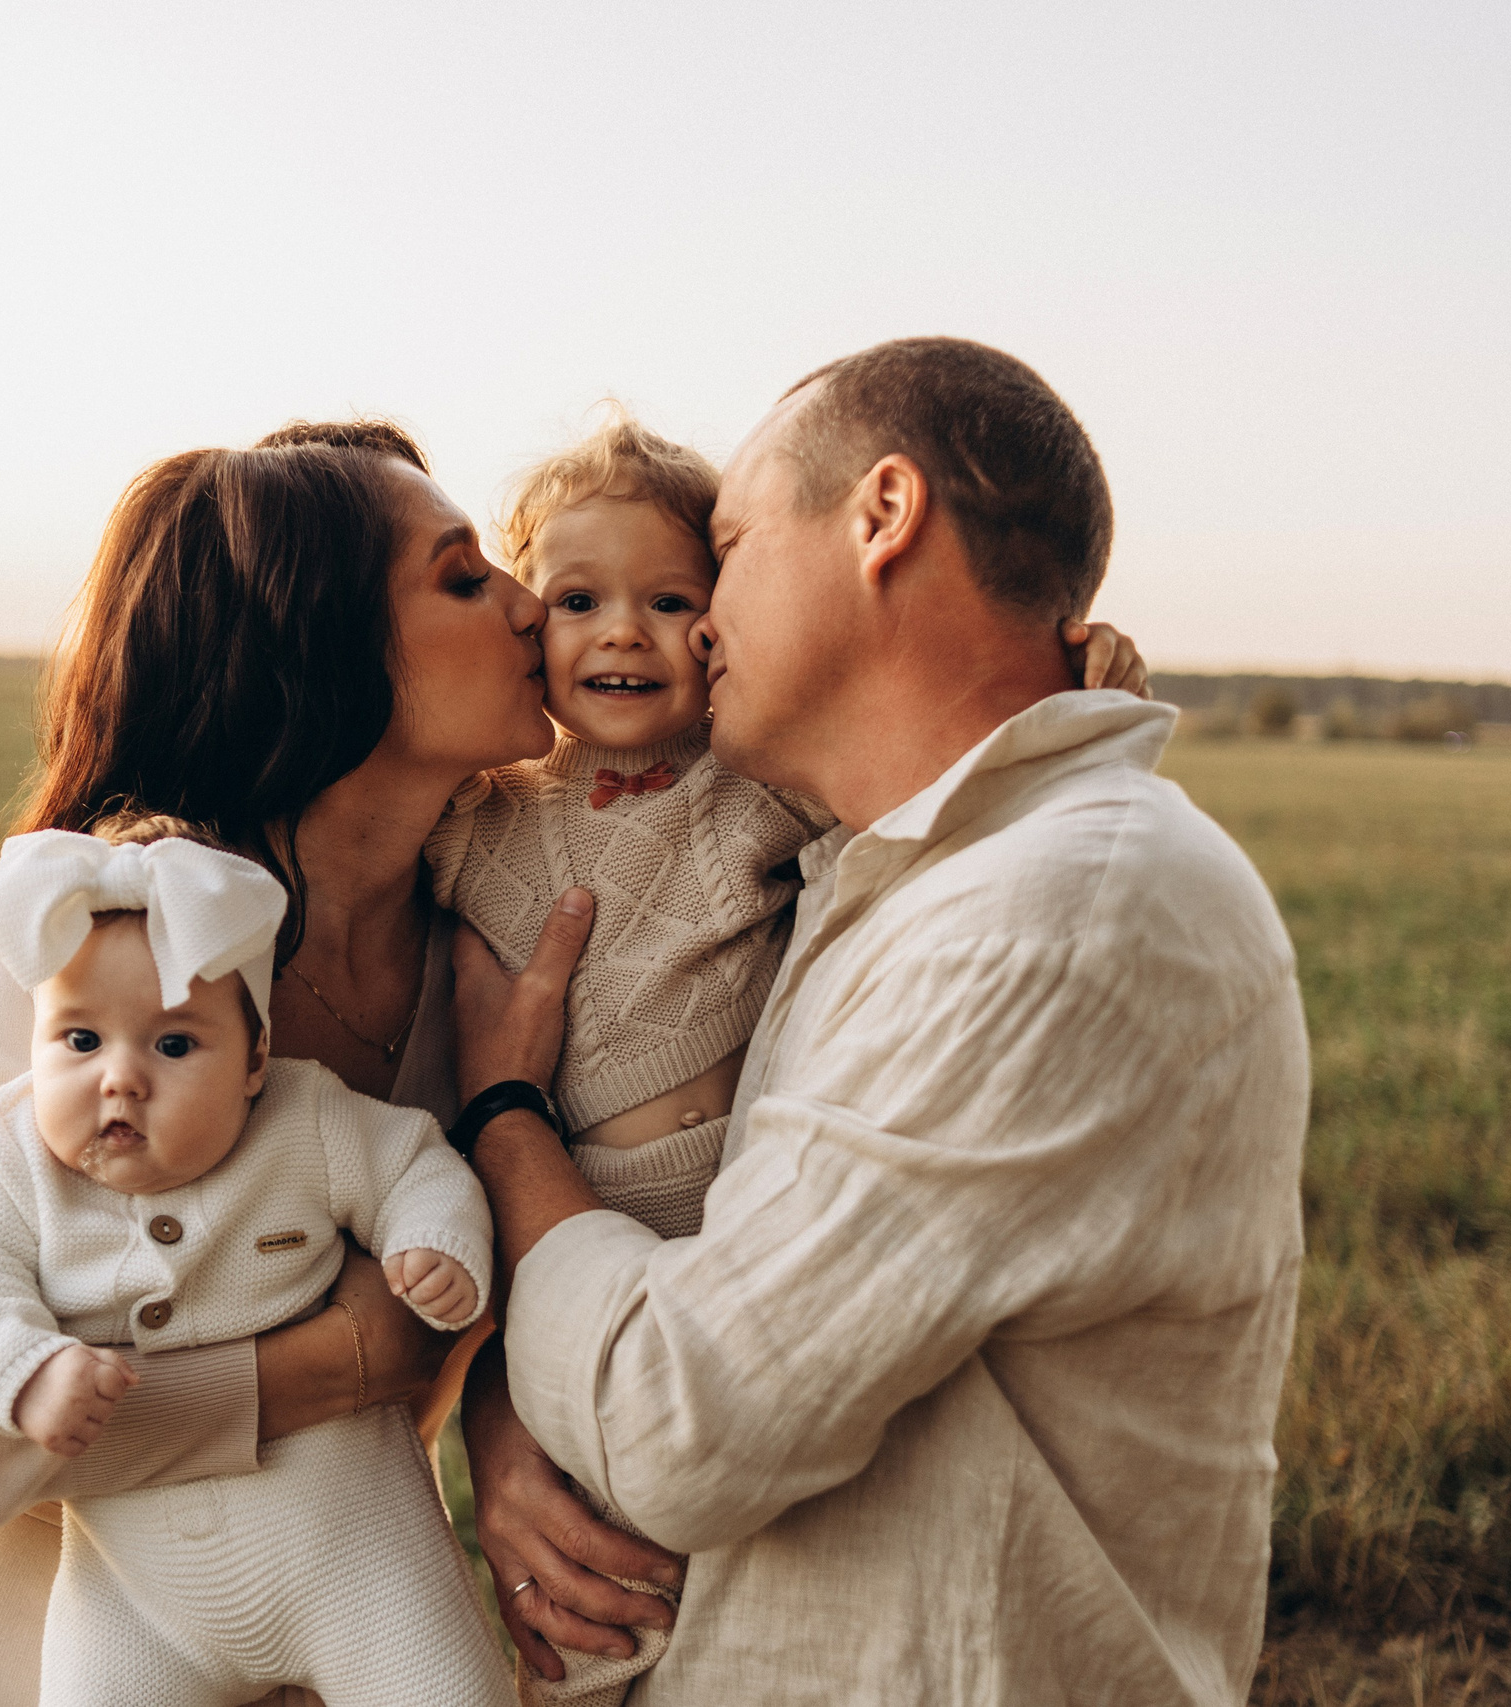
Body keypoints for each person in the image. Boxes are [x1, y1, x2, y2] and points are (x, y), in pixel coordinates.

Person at [0, 409, 1147, 1705]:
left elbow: (541, 1232)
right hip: (49, 1653)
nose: (527, 601)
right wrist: (330, 1367)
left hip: (348, 1626)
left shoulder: (485, 939)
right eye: (464, 578)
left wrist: (503, 1435)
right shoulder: (107, 945)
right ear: (326, 653)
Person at [455, 337, 1310, 1704]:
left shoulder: (1049, 911)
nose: (702, 621)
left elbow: (678, 1412)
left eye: (724, 552)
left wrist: (506, 1118)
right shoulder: (880, 870)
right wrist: (508, 1419)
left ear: (883, 516)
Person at [0, 822, 505, 1705]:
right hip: (138, 1600)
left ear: (257, 1059)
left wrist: (434, 1241)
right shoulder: (5, 1155)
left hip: (355, 1555)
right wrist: (23, 1367)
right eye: (79, 1040)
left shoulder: (304, 1119)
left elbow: (415, 1162)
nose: (120, 1078)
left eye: (174, 1044)